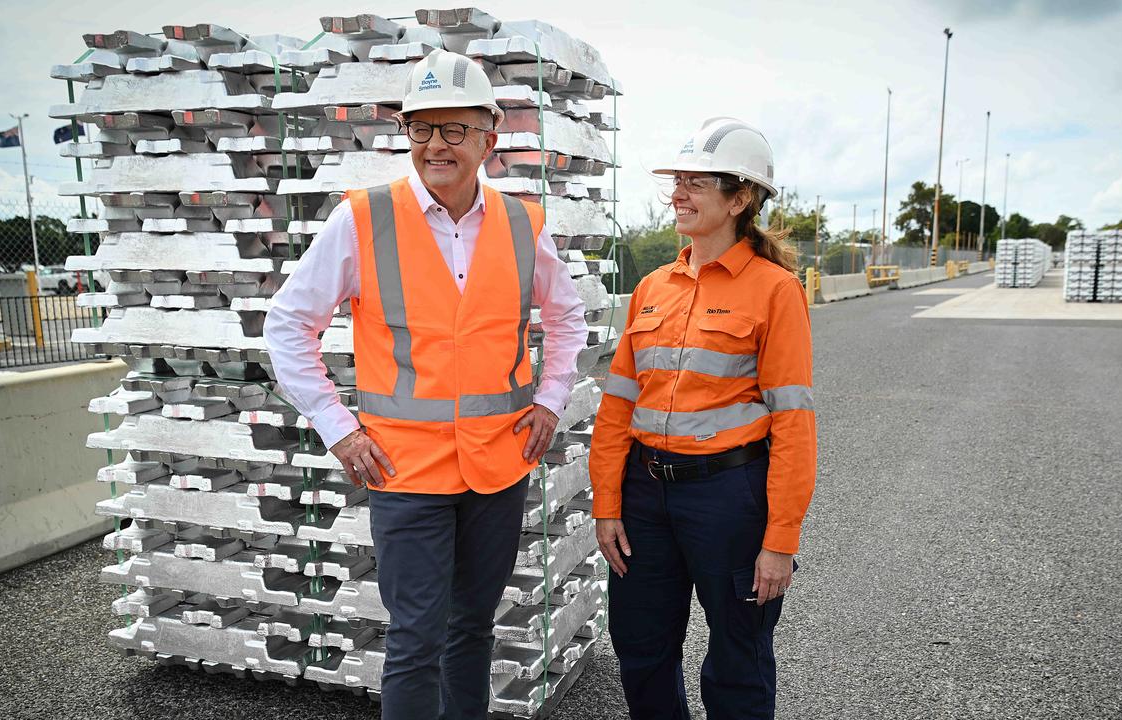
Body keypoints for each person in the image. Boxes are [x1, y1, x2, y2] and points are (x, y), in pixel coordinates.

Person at [264, 49, 588, 720]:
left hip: (498, 467)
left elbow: (568, 317)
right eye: (421, 129)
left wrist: (552, 402)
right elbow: (288, 324)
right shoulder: (362, 219)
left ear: (488, 139)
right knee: (415, 638)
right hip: (405, 470)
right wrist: (339, 428)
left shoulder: (523, 224)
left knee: (472, 629)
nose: (436, 145)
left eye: (454, 129)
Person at [589, 117, 817, 720]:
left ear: (740, 199)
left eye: (696, 183)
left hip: (729, 498)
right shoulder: (652, 288)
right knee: (640, 650)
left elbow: (793, 423)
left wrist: (779, 541)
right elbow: (617, 405)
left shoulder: (776, 291)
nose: (678, 194)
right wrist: (607, 503)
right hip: (644, 495)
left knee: (738, 659)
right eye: (677, 181)